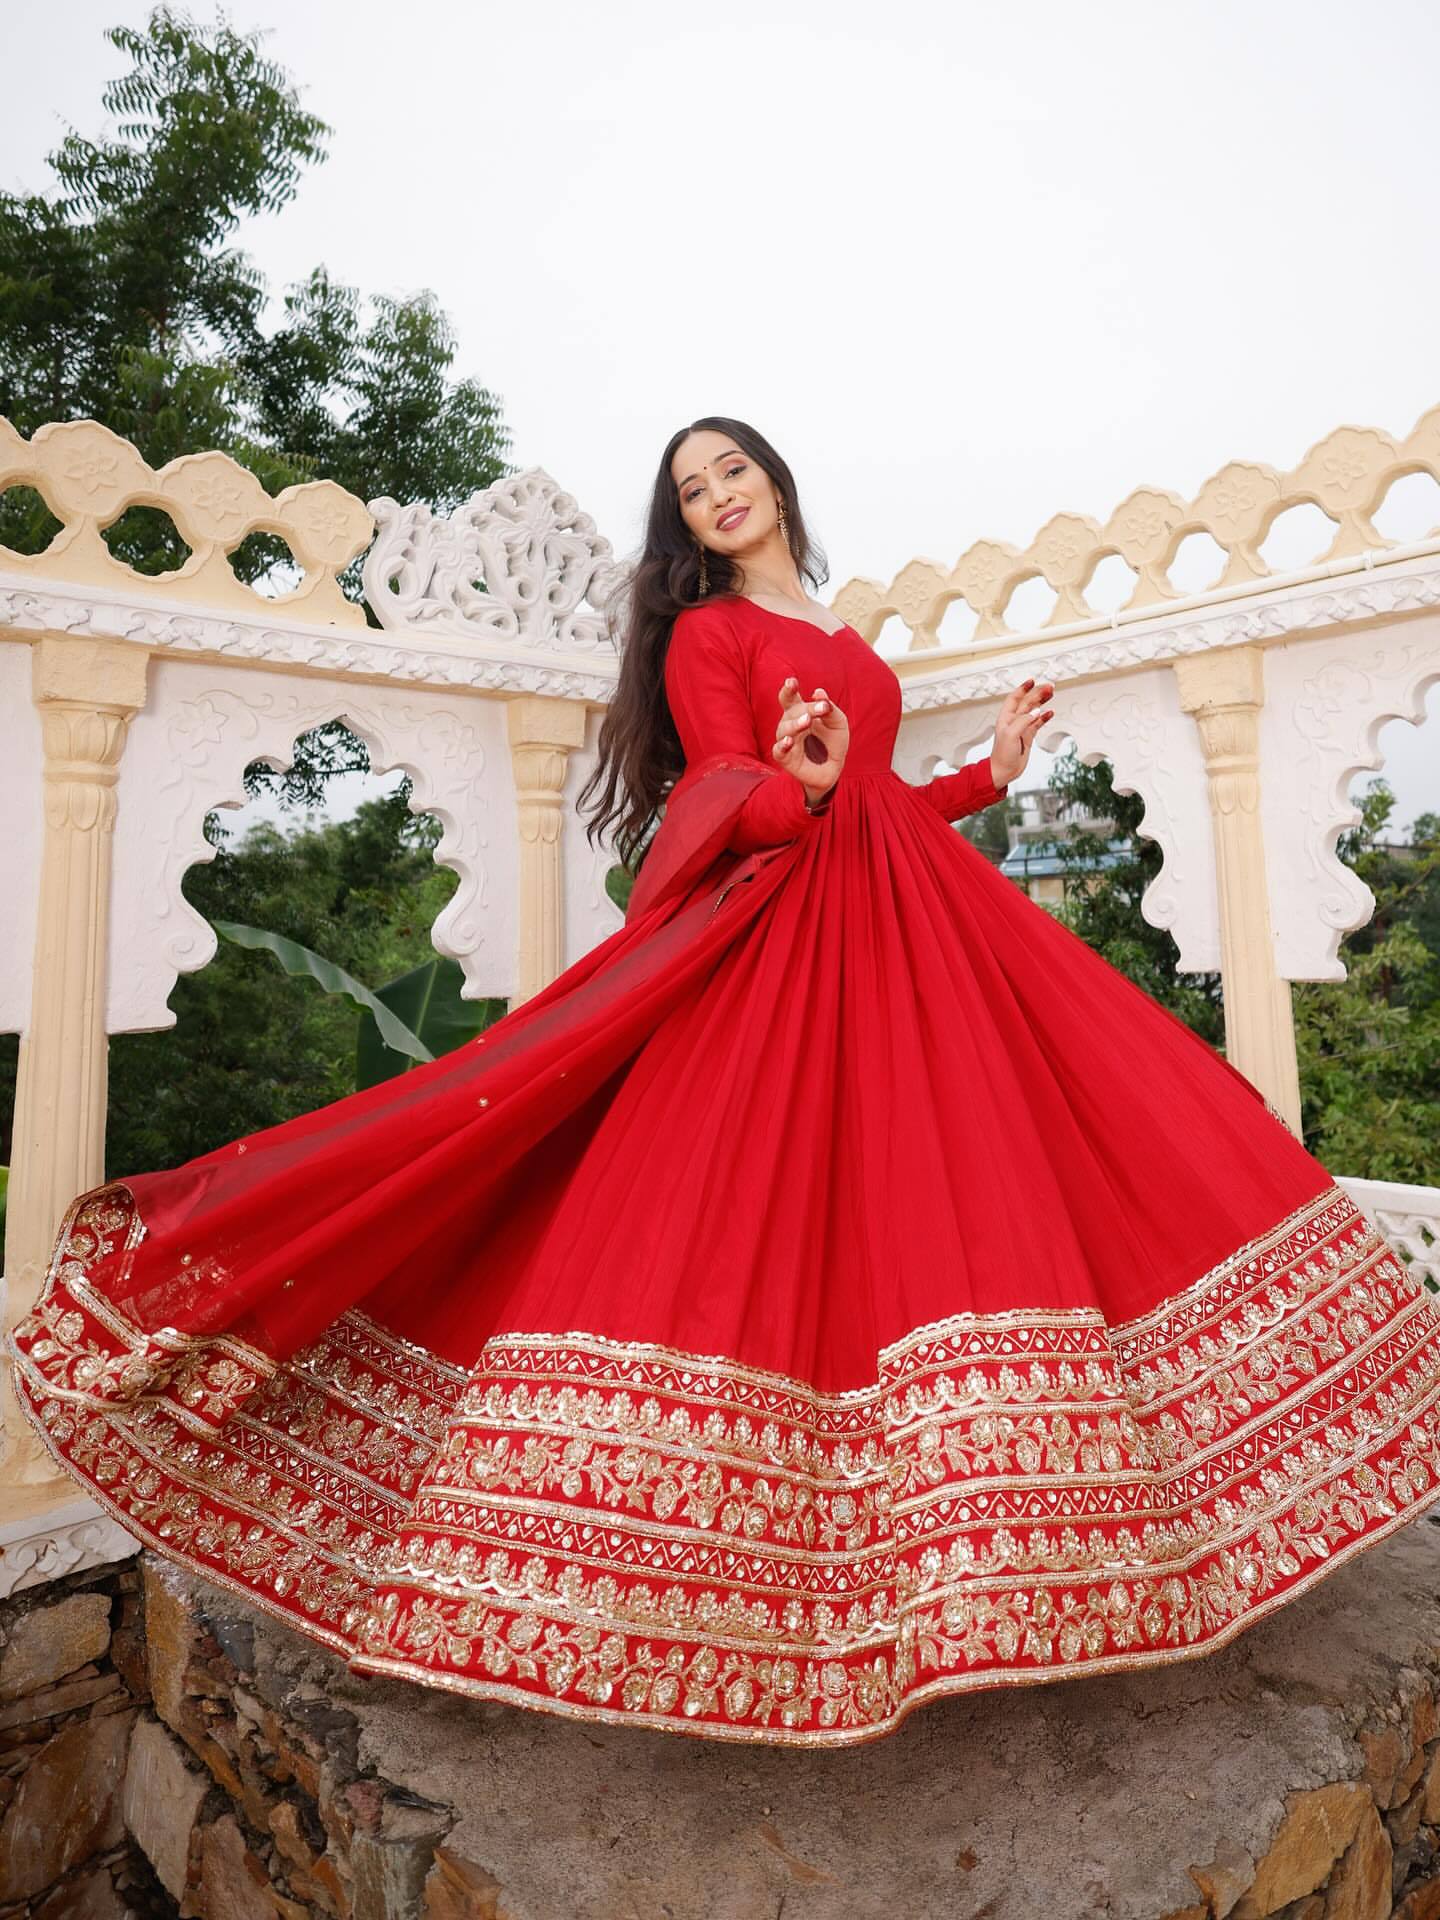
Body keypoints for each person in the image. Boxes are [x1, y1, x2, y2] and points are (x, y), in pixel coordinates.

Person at [10, 415, 1440, 1751]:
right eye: (691, 491)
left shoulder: (836, 626)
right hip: (791, 932)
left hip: (917, 917)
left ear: (775, 479)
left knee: (1002, 1170)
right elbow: (718, 787)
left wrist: (985, 774)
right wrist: (794, 782)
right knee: (760, 1207)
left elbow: (873, 795)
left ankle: (1003, 1546)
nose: (716, 496)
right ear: (685, 527)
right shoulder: (712, 632)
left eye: (730, 470)